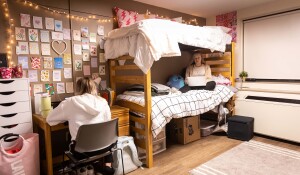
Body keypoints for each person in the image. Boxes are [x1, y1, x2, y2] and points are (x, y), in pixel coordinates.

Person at [46, 77, 113, 173]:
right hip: (104, 148)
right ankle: (107, 167)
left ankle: (82, 168)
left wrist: (66, 117)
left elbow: (50, 120)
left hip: (82, 152)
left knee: (71, 138)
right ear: (94, 88)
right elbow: (107, 122)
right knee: (105, 139)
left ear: (77, 89)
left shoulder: (70, 102)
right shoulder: (103, 101)